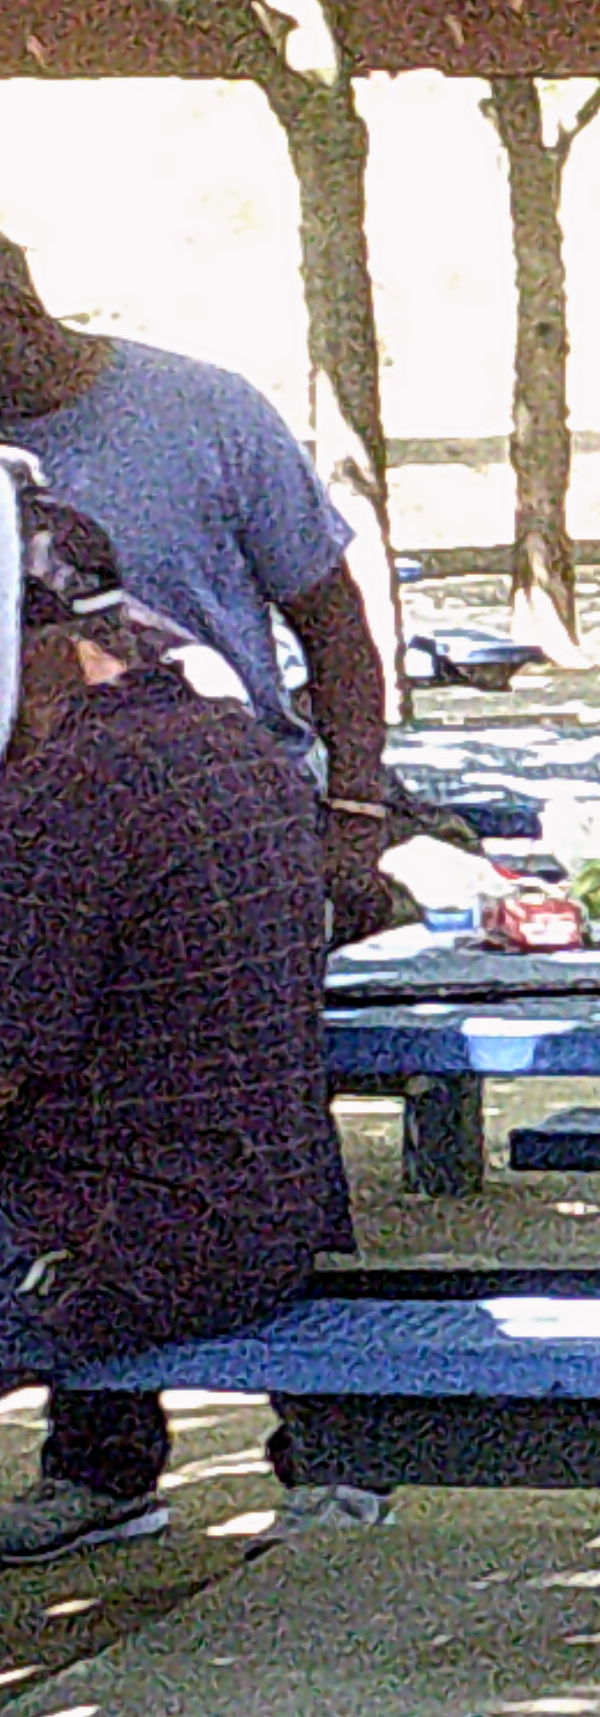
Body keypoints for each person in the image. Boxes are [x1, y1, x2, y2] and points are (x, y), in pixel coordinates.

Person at [0, 237, 390, 1561]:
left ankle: (331, 1449)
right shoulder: (102, 764)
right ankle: (104, 1462)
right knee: (187, 1109)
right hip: (208, 795)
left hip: (207, 821)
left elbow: (335, 616)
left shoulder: (204, 411)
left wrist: (356, 809)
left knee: (199, 1102)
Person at [0, 471, 335, 1547]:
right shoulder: (230, 742)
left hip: (128, 1254)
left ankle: (105, 1475)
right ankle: (103, 1473)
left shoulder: (64, 794)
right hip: (272, 1220)